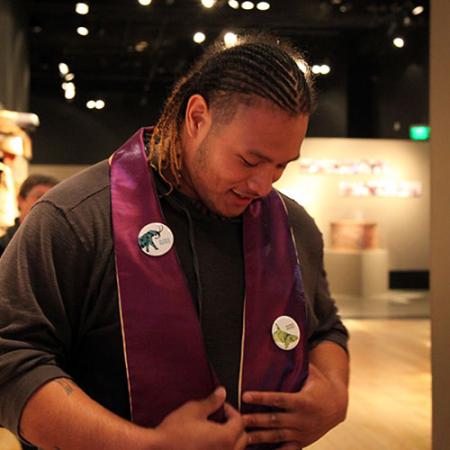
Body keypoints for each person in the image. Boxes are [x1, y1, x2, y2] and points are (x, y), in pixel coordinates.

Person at [0, 33, 349, 450]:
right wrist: (144, 446)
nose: (263, 185)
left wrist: (334, 395)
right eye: (249, 160)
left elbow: (325, 329)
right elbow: (10, 361)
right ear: (198, 117)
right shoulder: (75, 218)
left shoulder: (293, 226)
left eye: (281, 166)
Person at [0, 174, 59, 256]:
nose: (46, 205)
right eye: (40, 197)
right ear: (21, 200)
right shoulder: (2, 248)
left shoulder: (59, 252)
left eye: (52, 199)